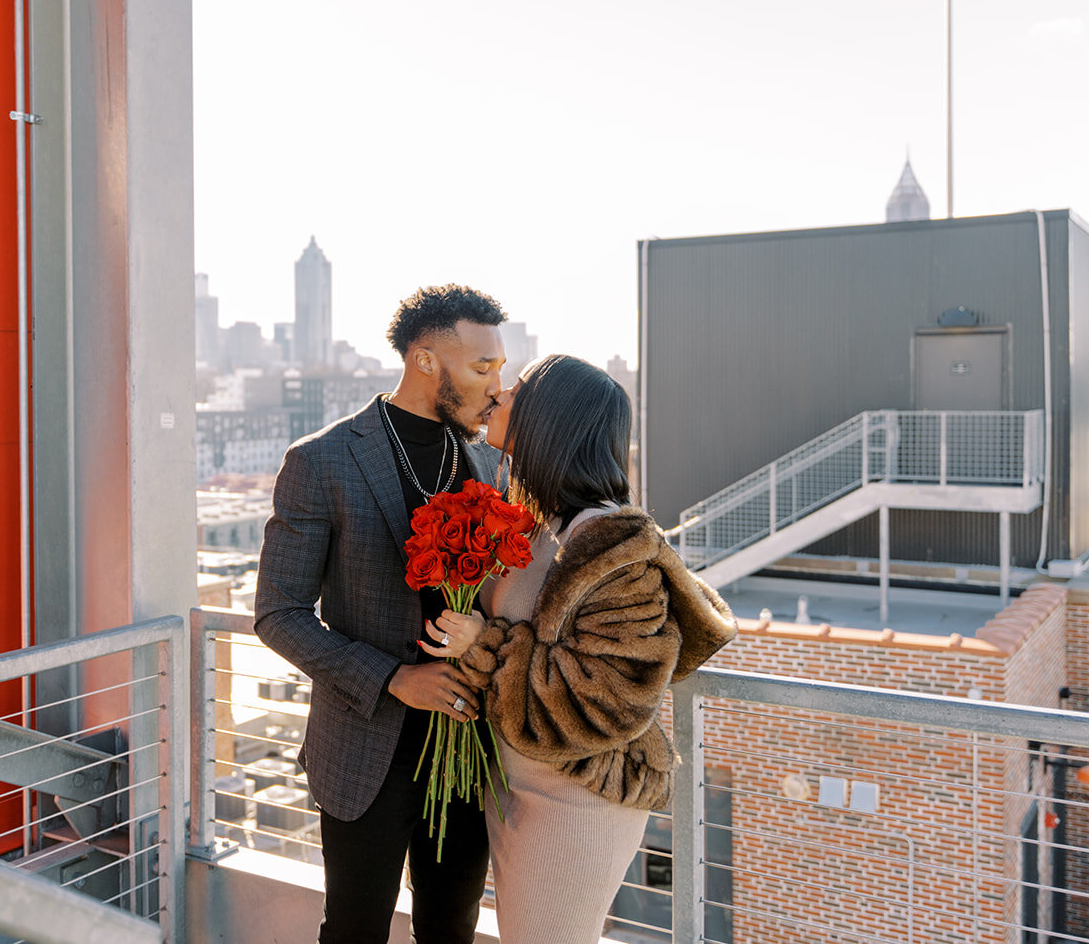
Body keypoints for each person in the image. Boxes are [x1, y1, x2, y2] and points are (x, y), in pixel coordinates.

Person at [420, 354, 738, 944]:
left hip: (579, 801)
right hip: (519, 784)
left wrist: (481, 643)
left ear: (550, 419)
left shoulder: (614, 549)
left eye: (518, 390)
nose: (500, 393)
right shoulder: (543, 525)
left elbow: (606, 703)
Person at [254, 284, 509, 944]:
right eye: (483, 368)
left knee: (451, 929)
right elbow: (278, 613)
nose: (497, 385)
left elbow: (511, 602)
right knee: (354, 930)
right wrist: (394, 677)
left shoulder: (493, 466)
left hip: (468, 742)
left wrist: (481, 634)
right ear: (426, 359)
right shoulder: (321, 461)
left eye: (500, 368)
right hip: (363, 748)